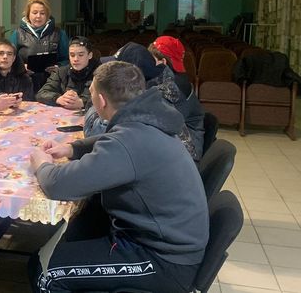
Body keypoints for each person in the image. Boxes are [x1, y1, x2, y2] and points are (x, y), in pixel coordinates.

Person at [29, 61, 209, 293]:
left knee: (45, 272)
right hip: (169, 241)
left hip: (161, 260)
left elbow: (57, 184)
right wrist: (73, 148)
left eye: (91, 93)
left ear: (101, 101)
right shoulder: (150, 118)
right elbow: (116, 142)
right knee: (80, 223)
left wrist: (41, 164)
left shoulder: (129, 141)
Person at [89, 42, 202, 161]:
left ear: (129, 76)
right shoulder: (149, 90)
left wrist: (95, 105)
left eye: (116, 69)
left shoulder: (156, 99)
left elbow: (105, 134)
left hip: (180, 159)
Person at [9, 0, 69, 92]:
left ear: (47, 15)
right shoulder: (17, 34)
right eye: (34, 12)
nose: (38, 16)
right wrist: (21, 67)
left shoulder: (59, 33)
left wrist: (58, 67)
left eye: (42, 13)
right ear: (28, 14)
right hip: (24, 84)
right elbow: (9, 59)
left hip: (53, 84)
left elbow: (67, 59)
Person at [36, 36, 100, 110]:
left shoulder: (100, 73)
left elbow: (107, 98)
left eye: (81, 55)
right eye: (72, 55)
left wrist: (82, 102)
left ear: (90, 55)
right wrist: (58, 98)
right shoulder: (60, 72)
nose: (76, 59)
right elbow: (41, 93)